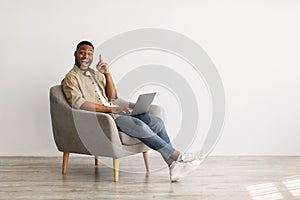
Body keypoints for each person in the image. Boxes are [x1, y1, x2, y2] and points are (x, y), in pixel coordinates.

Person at [62, 41, 202, 182]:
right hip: (104, 117)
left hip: (115, 111)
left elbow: (112, 96)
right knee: (139, 125)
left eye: (89, 53)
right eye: (82, 52)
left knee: (157, 122)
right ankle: (177, 156)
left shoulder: (95, 75)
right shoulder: (71, 78)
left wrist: (107, 74)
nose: (86, 56)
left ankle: (173, 166)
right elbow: (79, 104)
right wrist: (111, 109)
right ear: (75, 54)